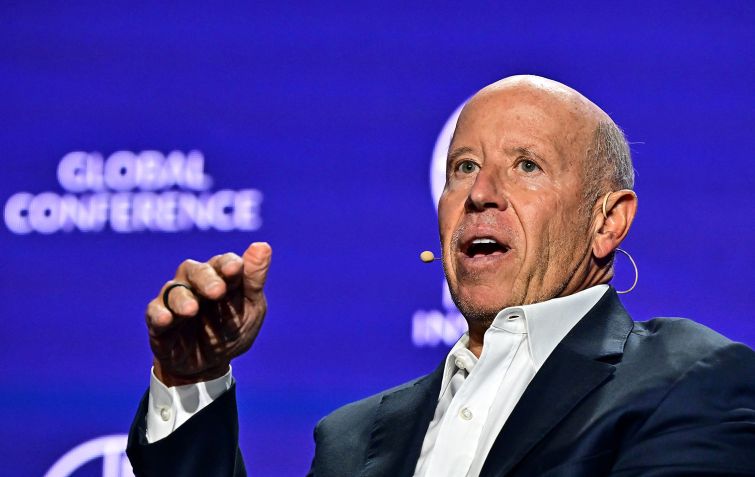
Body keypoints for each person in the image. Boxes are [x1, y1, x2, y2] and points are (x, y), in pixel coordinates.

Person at [126, 75, 755, 476]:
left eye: (527, 166)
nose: (482, 193)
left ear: (607, 221)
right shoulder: (354, 441)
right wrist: (192, 380)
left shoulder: (689, 380)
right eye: (462, 167)